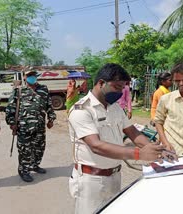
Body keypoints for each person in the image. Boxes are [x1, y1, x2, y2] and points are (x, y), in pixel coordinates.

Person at [68, 63, 177, 214]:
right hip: (90, 180)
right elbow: (96, 146)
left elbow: (133, 133)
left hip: (114, 175)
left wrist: (155, 149)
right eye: (117, 87)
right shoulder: (82, 110)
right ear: (101, 83)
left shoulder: (115, 108)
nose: (121, 92)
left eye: (123, 88)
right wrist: (139, 154)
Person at [5, 69, 56, 182]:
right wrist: (12, 123)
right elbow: (10, 108)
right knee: (25, 150)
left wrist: (51, 119)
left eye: (33, 75)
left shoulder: (43, 89)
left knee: (39, 148)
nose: (32, 77)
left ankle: (34, 165)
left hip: (40, 126)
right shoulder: (18, 90)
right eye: (29, 76)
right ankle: (23, 170)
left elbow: (49, 105)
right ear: (24, 77)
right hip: (24, 127)